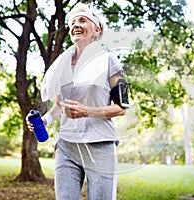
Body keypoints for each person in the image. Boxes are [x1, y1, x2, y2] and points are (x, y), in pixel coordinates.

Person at [26, 3, 127, 200]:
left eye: (82, 20)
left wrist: (87, 111)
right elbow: (58, 107)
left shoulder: (109, 60)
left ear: (97, 29)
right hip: (67, 145)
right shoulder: (61, 65)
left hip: (100, 144)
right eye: (72, 22)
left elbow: (121, 107)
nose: (75, 25)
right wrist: (45, 120)